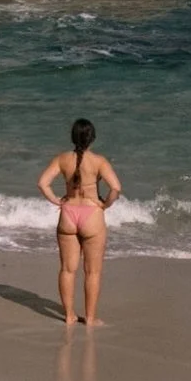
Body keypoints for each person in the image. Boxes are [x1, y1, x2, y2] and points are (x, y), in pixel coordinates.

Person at [36, 118, 120, 326]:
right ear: (92, 139)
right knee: (92, 271)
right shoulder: (99, 161)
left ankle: (70, 316)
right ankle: (90, 318)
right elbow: (116, 188)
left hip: (68, 214)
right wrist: (105, 205)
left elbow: (42, 183)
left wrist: (57, 200)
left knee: (67, 269)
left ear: (73, 137)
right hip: (92, 215)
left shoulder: (62, 159)